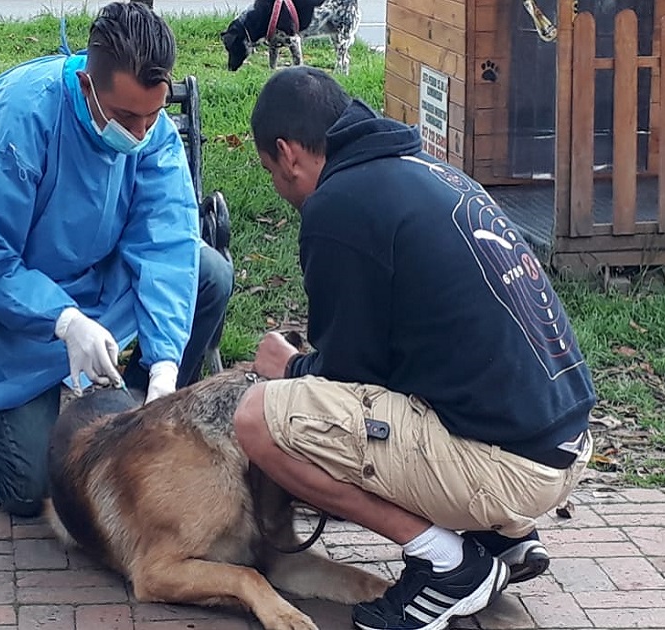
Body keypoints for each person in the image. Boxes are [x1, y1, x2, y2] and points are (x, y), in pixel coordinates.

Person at [232, 66, 597, 630]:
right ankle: (499, 538)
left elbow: (344, 380)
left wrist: (289, 366)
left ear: (288, 154)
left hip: (510, 470)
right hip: (564, 445)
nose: (281, 192)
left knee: (258, 419)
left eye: (270, 173)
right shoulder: (426, 171)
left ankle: (447, 563)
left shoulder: (337, 207)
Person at [0, 1, 234, 517]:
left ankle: (122, 431)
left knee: (209, 273)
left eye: (152, 115)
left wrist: (163, 367)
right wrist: (64, 321)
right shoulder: (19, 122)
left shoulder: (148, 126)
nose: (140, 133)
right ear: (88, 85)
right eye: (127, 116)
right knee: (29, 490)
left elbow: (167, 243)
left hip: (92, 277)